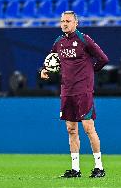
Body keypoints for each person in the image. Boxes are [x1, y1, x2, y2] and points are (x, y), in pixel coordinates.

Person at [40, 11, 109, 178]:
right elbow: (51, 60)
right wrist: (45, 70)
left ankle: (99, 167)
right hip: (67, 91)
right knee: (71, 129)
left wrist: (90, 72)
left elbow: (103, 58)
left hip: (83, 90)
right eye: (62, 21)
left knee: (88, 127)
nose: (64, 24)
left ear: (76, 23)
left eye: (68, 21)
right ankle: (75, 169)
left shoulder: (84, 40)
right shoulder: (59, 42)